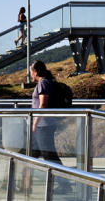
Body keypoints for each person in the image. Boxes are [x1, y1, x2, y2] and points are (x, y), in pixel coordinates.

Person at [30, 60, 72, 194]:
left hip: (43, 125)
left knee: (49, 156)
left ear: (35, 72)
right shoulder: (47, 82)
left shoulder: (43, 83)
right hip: (43, 124)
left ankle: (65, 186)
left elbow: (43, 105)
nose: (30, 74)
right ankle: (22, 184)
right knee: (30, 155)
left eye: (30, 72)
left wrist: (35, 122)